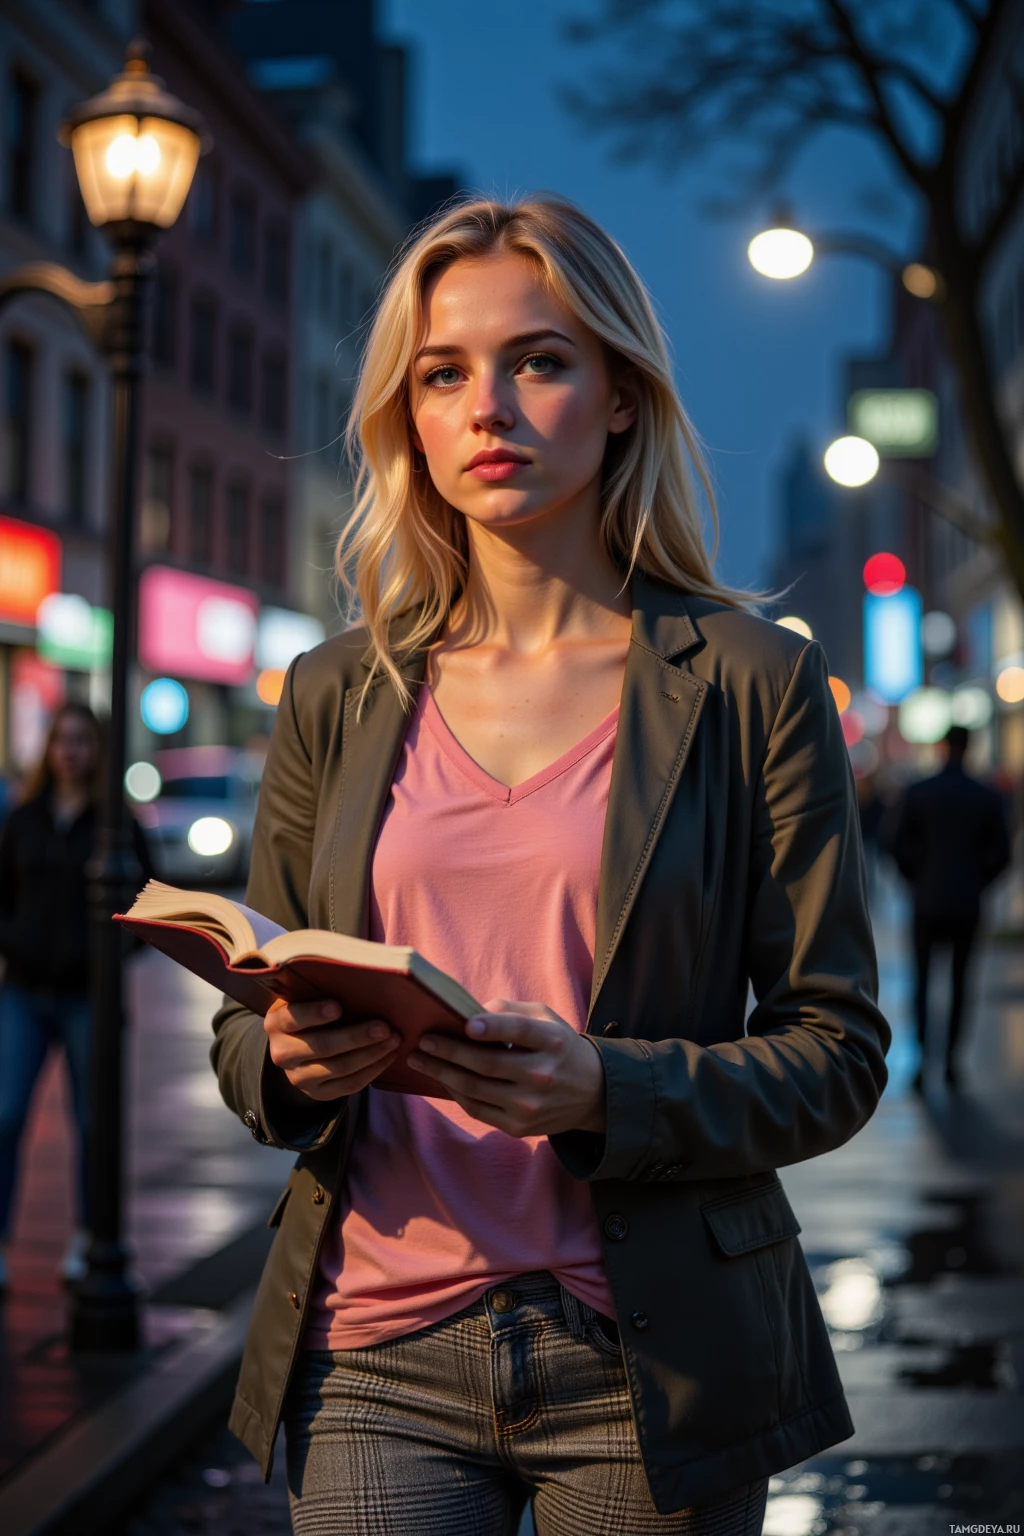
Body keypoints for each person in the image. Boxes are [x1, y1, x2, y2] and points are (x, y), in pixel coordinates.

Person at [210, 195, 890, 1536]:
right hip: (373, 1351)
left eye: (541, 359)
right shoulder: (337, 691)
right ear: (406, 414)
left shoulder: (753, 683)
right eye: (443, 373)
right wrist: (281, 1064)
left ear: (622, 395)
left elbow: (839, 1049)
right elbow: (249, 1017)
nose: (488, 407)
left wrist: (606, 1090)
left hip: (653, 1351)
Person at [0, 701, 152, 1296]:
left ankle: (92, 1239)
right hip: (25, 993)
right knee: (6, 1116)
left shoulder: (117, 822)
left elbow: (150, 907)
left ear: (97, 751)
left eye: (82, 741)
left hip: (90, 997)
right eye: (62, 739)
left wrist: (109, 960)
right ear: (49, 748)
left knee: (94, 1124)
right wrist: (18, 943)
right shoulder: (25, 817)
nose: (71, 751)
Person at [888, 724, 1011, 1094]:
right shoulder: (985, 796)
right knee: (961, 981)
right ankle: (953, 1062)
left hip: (926, 902)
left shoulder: (919, 791)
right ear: (969, 748)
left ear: (943, 748)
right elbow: (1002, 853)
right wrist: (977, 881)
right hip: (966, 903)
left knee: (922, 981)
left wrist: (916, 878)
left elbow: (894, 842)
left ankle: (924, 1062)